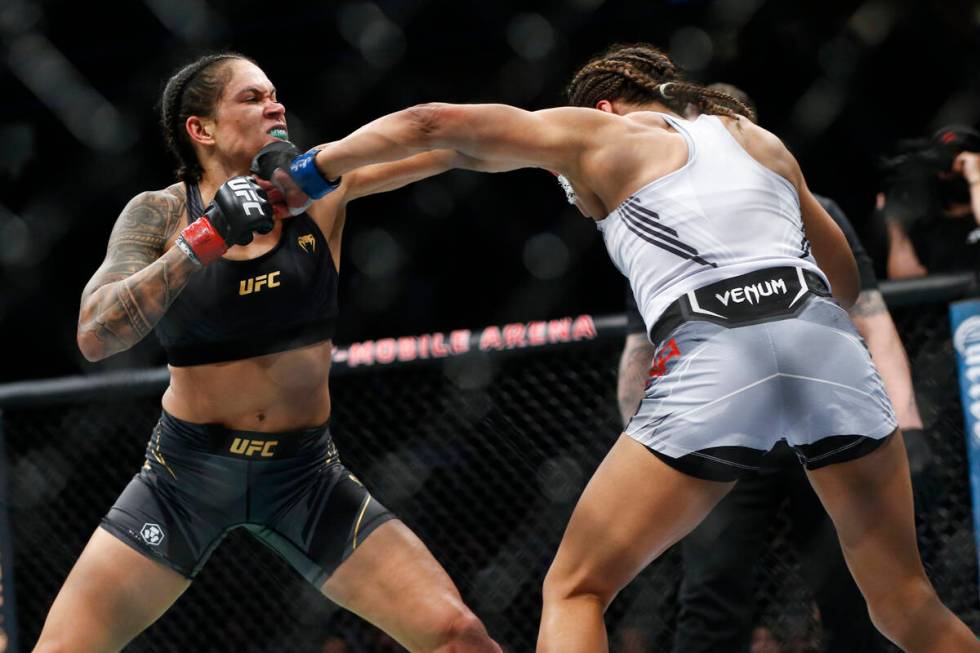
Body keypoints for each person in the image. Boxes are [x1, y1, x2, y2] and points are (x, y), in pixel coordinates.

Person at [257, 43, 980, 653]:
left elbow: (432, 123)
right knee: (906, 602)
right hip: (825, 345)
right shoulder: (757, 139)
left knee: (576, 586)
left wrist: (310, 171)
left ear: (602, 106)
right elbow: (845, 280)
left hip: (718, 349)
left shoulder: (601, 136)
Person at [33, 53, 501, 653]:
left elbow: (454, 146)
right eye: (251, 98)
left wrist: (571, 144)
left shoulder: (320, 187)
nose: (275, 105)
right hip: (184, 477)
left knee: (456, 634)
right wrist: (203, 240)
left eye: (274, 94)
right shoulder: (162, 212)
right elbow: (96, 334)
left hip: (305, 474)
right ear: (200, 129)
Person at [615, 84, 924, 652]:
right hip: (721, 420)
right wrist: (648, 442)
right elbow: (641, 346)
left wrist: (906, 419)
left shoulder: (808, 206)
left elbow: (870, 313)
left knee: (859, 591)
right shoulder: (658, 215)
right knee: (712, 592)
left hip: (823, 408)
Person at [878, 125, 980, 278]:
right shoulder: (927, 225)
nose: (956, 170)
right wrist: (894, 223)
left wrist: (975, 178)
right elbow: (907, 281)